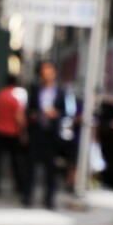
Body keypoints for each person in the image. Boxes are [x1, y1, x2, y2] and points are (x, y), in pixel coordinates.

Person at [23, 61, 69, 209]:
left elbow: (65, 113)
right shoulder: (35, 90)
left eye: (49, 73)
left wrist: (56, 114)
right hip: (37, 132)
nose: (46, 76)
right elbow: (28, 110)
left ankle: (49, 199)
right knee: (31, 167)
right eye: (43, 73)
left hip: (52, 135)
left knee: (51, 169)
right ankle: (27, 197)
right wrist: (34, 115)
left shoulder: (61, 91)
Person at [0, 75, 26, 196]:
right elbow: (19, 117)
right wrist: (23, 132)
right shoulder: (14, 99)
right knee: (15, 161)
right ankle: (19, 186)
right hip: (11, 133)